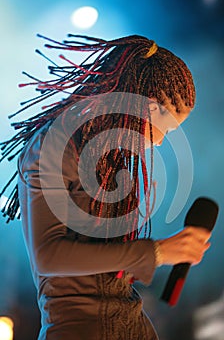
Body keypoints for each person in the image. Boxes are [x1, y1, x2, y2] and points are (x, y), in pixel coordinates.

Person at [0, 34, 211, 340]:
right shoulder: (54, 145)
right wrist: (155, 253)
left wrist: (153, 256)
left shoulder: (110, 156)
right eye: (167, 130)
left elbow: (103, 264)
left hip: (130, 324)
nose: (161, 141)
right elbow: (48, 256)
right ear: (150, 107)